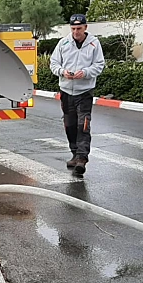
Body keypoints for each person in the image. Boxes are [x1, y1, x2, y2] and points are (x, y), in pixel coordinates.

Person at [49, 14, 105, 176]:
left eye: (79, 28)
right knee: (70, 125)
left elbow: (99, 65)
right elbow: (54, 63)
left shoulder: (94, 43)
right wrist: (62, 72)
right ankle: (74, 154)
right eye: (73, 28)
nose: (76, 32)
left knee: (83, 125)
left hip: (84, 92)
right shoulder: (63, 43)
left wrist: (85, 72)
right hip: (66, 92)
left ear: (85, 27)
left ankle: (82, 158)